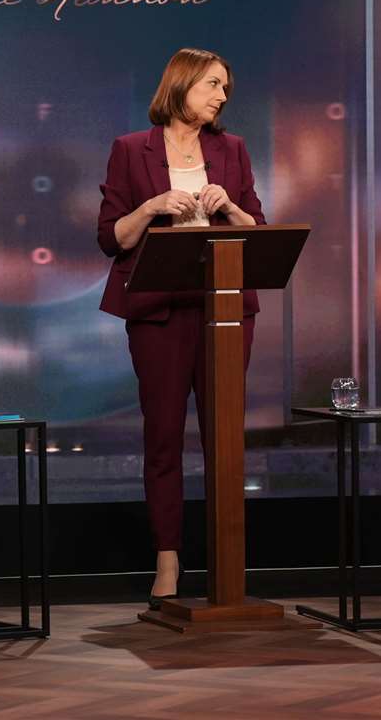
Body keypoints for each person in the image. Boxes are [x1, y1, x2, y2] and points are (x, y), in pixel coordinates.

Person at [97, 47, 265, 609]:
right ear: (183, 84)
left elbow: (259, 230)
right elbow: (111, 237)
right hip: (159, 314)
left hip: (225, 311)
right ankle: (167, 560)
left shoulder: (232, 150)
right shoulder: (130, 150)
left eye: (225, 90)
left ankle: (227, 562)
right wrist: (151, 207)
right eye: (214, 85)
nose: (222, 97)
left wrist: (231, 210)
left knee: (225, 440)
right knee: (164, 438)